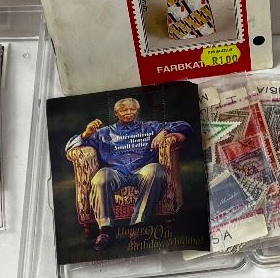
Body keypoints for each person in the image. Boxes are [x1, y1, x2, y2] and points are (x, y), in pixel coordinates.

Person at [65, 96, 192, 252]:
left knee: (156, 170)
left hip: (142, 170)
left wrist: (165, 132)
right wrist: (86, 134)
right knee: (100, 178)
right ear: (116, 113)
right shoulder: (103, 133)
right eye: (124, 110)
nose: (129, 113)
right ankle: (106, 230)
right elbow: (69, 147)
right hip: (115, 172)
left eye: (133, 109)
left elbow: (185, 125)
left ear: (137, 111)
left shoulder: (150, 127)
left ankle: (137, 225)